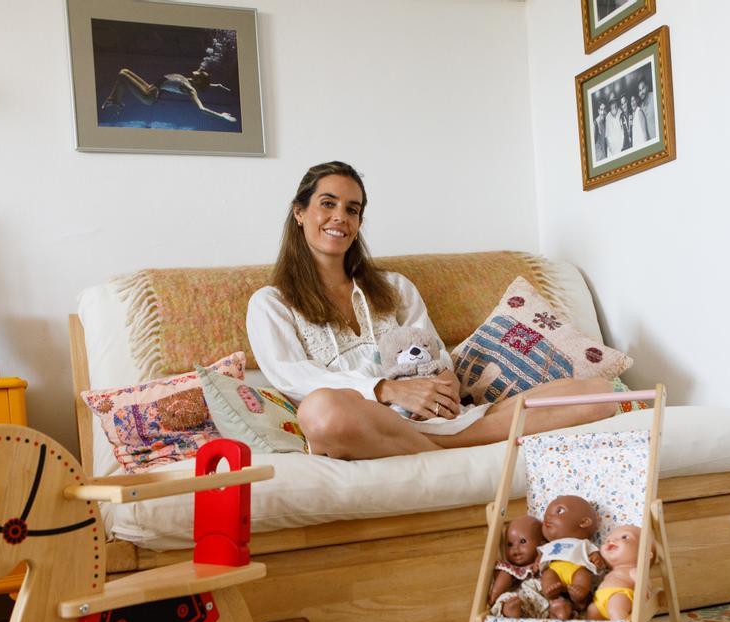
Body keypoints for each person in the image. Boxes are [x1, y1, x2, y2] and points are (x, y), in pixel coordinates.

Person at [246, 161, 614, 460]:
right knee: (320, 411)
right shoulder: (271, 302)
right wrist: (386, 390)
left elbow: (436, 354)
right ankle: (458, 450)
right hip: (357, 424)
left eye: (352, 209)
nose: (340, 217)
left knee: (598, 392)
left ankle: (439, 446)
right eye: (327, 203)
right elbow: (292, 377)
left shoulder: (394, 287)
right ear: (299, 212)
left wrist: (444, 384)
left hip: (430, 416)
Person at [100, 67, 237, 124]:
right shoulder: (190, 80)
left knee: (122, 76)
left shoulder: (190, 89)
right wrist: (216, 85)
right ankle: (114, 100)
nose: (200, 69)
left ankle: (114, 100)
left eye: (200, 72)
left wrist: (222, 116)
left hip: (149, 96)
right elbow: (204, 85)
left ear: (198, 80)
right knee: (124, 71)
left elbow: (201, 109)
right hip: (150, 87)